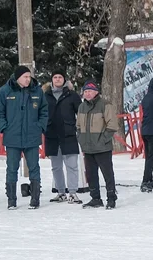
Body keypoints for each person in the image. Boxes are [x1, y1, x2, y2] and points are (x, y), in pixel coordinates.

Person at [0, 65, 49, 209]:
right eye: (25, 77)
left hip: (32, 136)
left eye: (29, 76)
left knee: (34, 167)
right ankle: (11, 200)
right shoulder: (5, 91)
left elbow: (44, 111)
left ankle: (35, 199)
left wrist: (40, 126)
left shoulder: (37, 91)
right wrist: (5, 128)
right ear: (18, 78)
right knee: (12, 168)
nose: (28, 79)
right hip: (13, 137)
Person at [76, 81, 123, 209]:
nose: (87, 93)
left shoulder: (105, 105)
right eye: (85, 91)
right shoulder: (81, 107)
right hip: (88, 147)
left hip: (102, 147)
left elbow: (112, 125)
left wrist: (102, 140)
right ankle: (95, 198)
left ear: (96, 92)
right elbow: (78, 126)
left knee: (107, 174)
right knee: (91, 174)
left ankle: (111, 198)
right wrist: (80, 138)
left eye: (90, 91)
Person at [44, 71, 83, 203]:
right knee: (56, 167)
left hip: (68, 134)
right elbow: (41, 113)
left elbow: (81, 113)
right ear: (52, 80)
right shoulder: (46, 96)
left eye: (60, 77)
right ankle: (61, 192)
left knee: (72, 165)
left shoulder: (72, 95)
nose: (57, 79)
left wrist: (78, 128)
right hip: (52, 135)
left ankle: (72, 192)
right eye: (55, 77)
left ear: (64, 80)